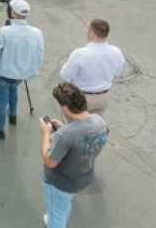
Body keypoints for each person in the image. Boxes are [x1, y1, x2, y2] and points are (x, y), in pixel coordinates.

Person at [39, 83, 109, 228]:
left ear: (65, 108)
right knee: (63, 205)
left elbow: (49, 161)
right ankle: (55, 217)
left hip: (59, 182)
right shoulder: (100, 122)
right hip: (83, 177)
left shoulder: (66, 135)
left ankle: (55, 221)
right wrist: (63, 129)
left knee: (57, 215)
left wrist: (46, 134)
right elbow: (90, 146)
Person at [0, 0, 45, 139]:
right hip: (22, 74)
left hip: (4, 73)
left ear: (12, 13)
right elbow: (40, 54)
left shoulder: (5, 32)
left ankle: (0, 128)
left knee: (1, 100)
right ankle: (12, 115)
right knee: (13, 90)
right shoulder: (37, 33)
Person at [60, 19, 124, 114]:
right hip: (103, 96)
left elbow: (66, 75)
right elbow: (118, 72)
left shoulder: (80, 54)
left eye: (88, 30)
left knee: (72, 124)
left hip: (82, 96)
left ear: (92, 33)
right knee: (94, 125)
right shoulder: (116, 52)